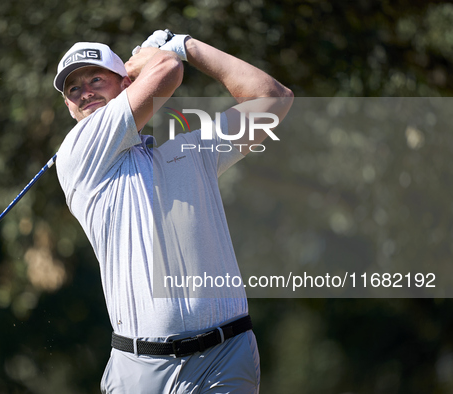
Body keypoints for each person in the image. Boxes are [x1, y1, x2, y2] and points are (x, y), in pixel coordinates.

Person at [53, 31, 293, 393]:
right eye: (73, 89)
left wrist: (188, 46)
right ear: (69, 107)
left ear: (126, 83)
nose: (84, 92)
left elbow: (273, 98)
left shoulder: (190, 152)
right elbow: (167, 70)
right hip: (142, 370)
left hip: (224, 359)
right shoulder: (79, 151)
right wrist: (162, 54)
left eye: (96, 79)